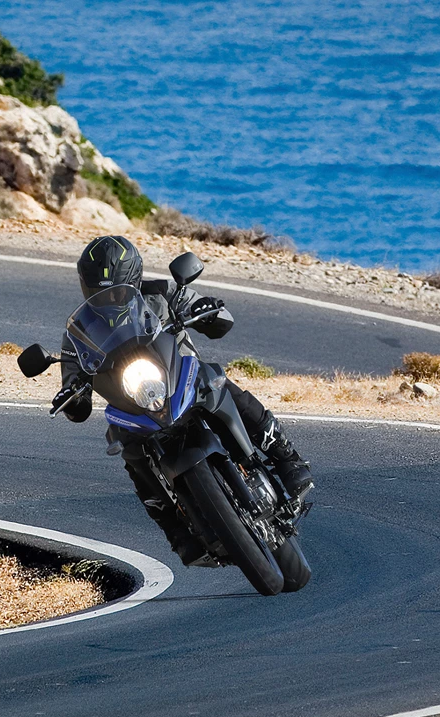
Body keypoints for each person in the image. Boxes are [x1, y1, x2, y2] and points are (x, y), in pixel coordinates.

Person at [52, 235, 313, 564]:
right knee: (129, 451)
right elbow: (74, 388)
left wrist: (208, 309)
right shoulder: (78, 334)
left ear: (133, 280)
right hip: (135, 402)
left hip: (185, 377)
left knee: (223, 385)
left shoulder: (162, 293)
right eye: (97, 291)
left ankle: (288, 459)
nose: (109, 298)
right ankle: (178, 534)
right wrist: (72, 392)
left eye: (116, 290)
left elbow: (217, 317)